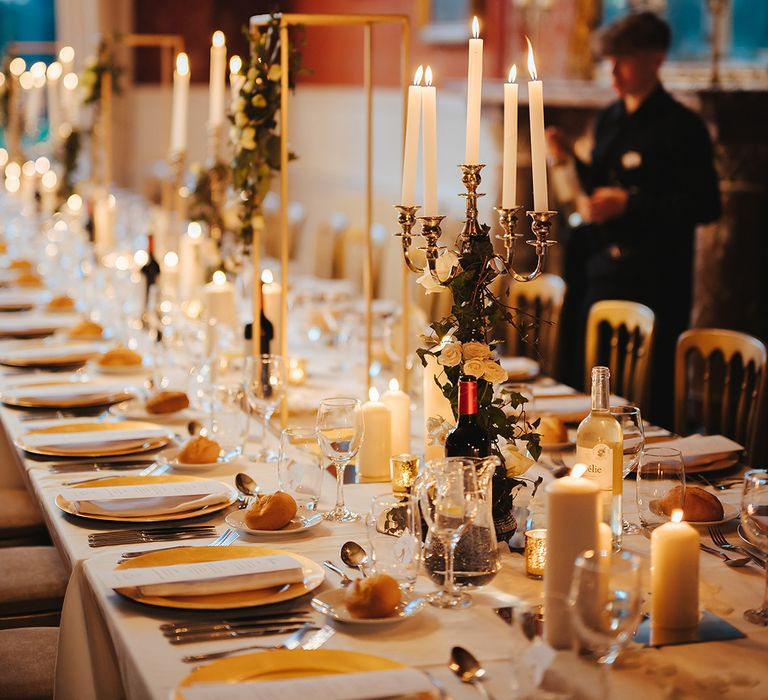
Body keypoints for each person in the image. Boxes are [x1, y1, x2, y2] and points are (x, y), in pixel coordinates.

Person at [547, 11, 721, 427]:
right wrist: (568, 159)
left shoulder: (682, 126)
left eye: (624, 60)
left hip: (654, 283)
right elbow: (598, 186)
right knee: (590, 394)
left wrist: (632, 203)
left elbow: (706, 205)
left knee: (644, 405)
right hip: (599, 274)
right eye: (610, 60)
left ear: (655, 59)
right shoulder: (610, 118)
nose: (614, 71)